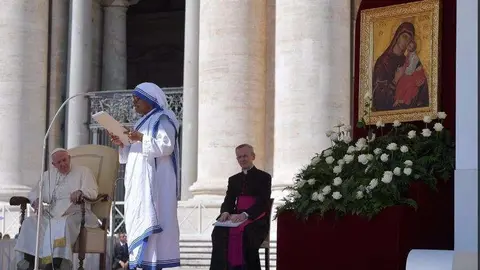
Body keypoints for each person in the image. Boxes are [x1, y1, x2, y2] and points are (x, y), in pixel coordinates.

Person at [110, 82, 181, 269]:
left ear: (151, 100)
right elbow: (130, 156)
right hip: (138, 187)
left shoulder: (163, 118)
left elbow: (166, 146)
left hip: (155, 189)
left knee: (156, 232)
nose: (134, 103)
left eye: (137, 99)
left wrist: (140, 137)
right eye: (133, 100)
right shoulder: (141, 122)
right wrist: (123, 142)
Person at [14, 148, 99, 270]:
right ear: (54, 165)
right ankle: (30, 262)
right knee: (29, 223)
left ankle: (56, 264)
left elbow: (93, 191)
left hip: (75, 211)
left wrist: (81, 192)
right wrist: (36, 200)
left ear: (69, 158)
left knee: (62, 224)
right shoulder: (48, 176)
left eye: (64, 160)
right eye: (59, 162)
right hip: (52, 213)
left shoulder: (84, 172)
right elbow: (34, 192)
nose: (63, 164)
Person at [210, 144, 272, 270]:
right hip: (236, 216)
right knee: (218, 232)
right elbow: (229, 199)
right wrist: (225, 212)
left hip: (256, 218)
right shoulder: (233, 179)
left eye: (245, 156)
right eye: (239, 157)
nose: (242, 159)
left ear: (253, 156)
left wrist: (245, 214)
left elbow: (263, 201)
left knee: (247, 233)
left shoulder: (264, 177)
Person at [394, 40, 428, 108]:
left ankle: (403, 100)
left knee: (408, 83)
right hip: (410, 73)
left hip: (416, 74)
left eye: (411, 47)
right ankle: (398, 99)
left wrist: (403, 71)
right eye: (409, 45)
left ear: (413, 49)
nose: (409, 48)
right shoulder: (408, 54)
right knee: (401, 81)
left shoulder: (414, 57)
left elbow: (410, 70)